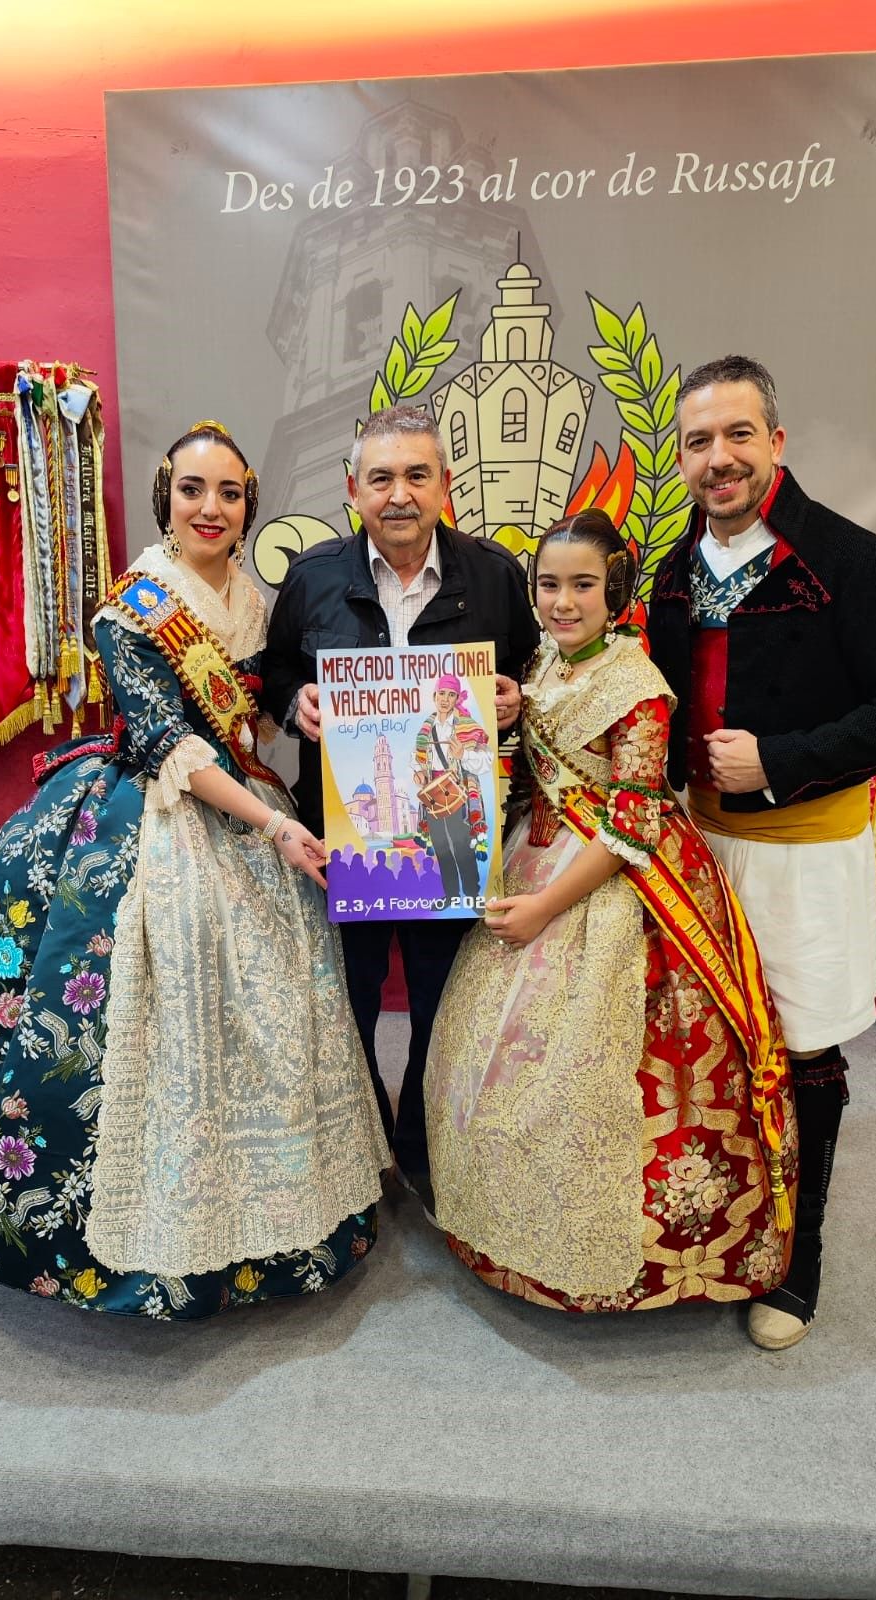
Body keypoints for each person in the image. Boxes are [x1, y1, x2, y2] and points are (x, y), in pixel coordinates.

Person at [0, 421, 389, 1319]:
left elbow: (267, 705)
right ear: (164, 499)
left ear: (249, 504)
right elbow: (167, 739)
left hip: (247, 805)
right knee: (128, 998)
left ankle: (281, 1216)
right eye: (192, 490)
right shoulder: (136, 603)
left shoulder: (255, 600)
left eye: (227, 493)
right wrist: (273, 825)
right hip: (155, 816)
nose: (210, 509)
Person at [647, 355, 876, 1349]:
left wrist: (780, 760)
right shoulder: (673, 572)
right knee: (712, 1054)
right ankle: (724, 1233)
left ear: (776, 441)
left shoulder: (850, 560)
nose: (718, 458)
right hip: (697, 851)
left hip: (802, 851)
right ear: (681, 458)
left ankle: (796, 1258)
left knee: (803, 1048)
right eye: (698, 441)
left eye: (737, 435)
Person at [424, 511, 796, 1315]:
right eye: (549, 585)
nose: (563, 602)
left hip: (611, 890)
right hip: (539, 851)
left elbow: (633, 824)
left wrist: (543, 909)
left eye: (582, 586)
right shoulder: (545, 661)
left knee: (591, 1078)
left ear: (616, 590)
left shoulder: (638, 685)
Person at [262, 405, 539, 1189]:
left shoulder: (494, 576)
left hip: (451, 846)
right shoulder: (313, 578)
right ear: (353, 489)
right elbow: (278, 670)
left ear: (446, 485)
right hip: (341, 843)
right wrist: (296, 704)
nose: (400, 494)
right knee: (344, 1006)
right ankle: (357, 1150)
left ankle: (420, 1145)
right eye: (381, 477)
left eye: (418, 475)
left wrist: (513, 700)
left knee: (441, 1005)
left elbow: (527, 667)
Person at [412, 673, 493, 908]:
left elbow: (485, 761)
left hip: (458, 792)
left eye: (451, 695)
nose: (445, 699)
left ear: (457, 698)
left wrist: (463, 755)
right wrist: (418, 773)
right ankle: (450, 895)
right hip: (434, 795)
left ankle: (473, 894)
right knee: (441, 845)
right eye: (442, 694)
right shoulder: (426, 729)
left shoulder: (467, 726)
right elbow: (417, 760)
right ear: (434, 695)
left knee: (462, 844)